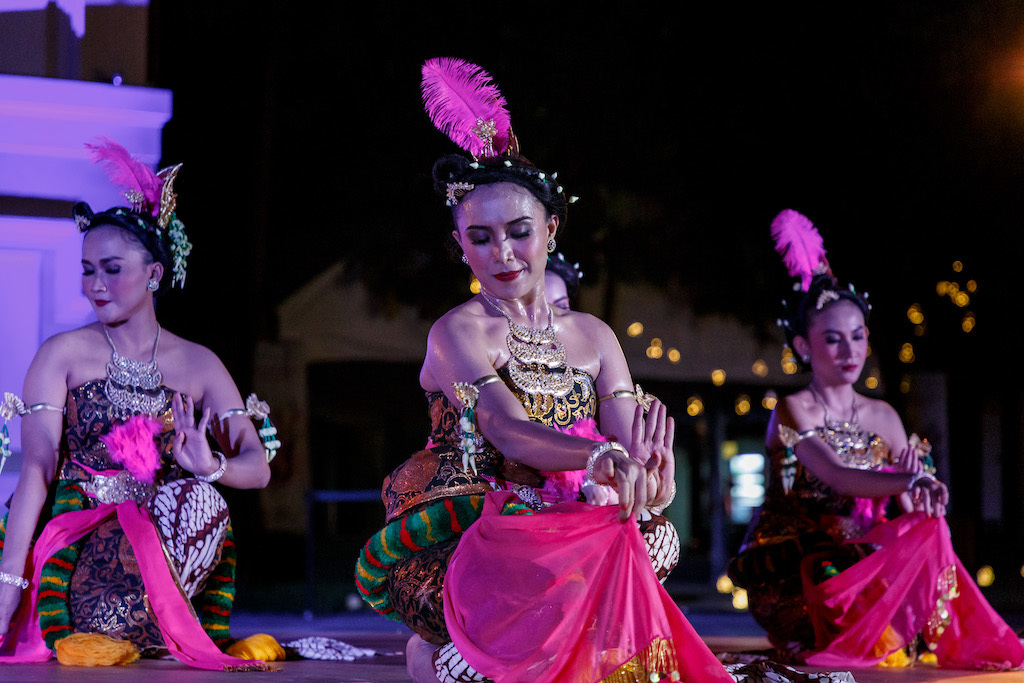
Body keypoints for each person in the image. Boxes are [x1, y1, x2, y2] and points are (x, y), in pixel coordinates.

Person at [355, 58, 732, 683]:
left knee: (655, 536)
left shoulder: (594, 337)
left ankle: (553, 644)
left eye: (519, 232)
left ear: (551, 230)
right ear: (461, 245)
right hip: (477, 529)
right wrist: (595, 457)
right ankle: (459, 646)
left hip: (569, 526)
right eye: (480, 237)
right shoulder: (458, 331)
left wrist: (645, 480)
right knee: (480, 647)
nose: (501, 254)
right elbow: (503, 427)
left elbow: (620, 441)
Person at [0, 140, 272, 670]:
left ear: (153, 274)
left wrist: (210, 465)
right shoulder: (63, 354)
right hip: (74, 537)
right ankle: (100, 625)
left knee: (204, 500)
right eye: (86, 270)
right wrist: (8, 582)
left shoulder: (199, 364)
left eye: (111, 269)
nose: (94, 287)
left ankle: (153, 623)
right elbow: (36, 466)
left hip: (156, 540)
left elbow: (257, 469)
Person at [727, 209, 1024, 670]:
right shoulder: (792, 410)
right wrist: (908, 482)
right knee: (832, 576)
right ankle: (871, 634)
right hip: (798, 569)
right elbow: (839, 476)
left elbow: (907, 509)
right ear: (804, 347)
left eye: (858, 336)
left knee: (930, 531)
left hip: (862, 558)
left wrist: (924, 498)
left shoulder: (882, 415)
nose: (850, 352)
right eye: (833, 339)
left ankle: (914, 630)